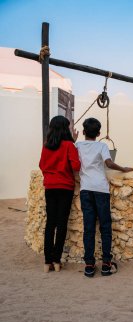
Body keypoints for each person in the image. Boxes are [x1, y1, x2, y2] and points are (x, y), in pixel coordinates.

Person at [76, 117, 133, 278]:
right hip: (101, 189)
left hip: (86, 189)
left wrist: (72, 139)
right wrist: (123, 169)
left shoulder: (77, 145)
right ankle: (106, 264)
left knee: (89, 228)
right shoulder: (102, 145)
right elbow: (109, 163)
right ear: (99, 133)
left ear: (83, 132)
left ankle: (89, 265)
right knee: (105, 227)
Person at [39, 115, 81, 273]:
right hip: (65, 187)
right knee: (62, 224)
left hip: (50, 187)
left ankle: (46, 262)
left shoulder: (46, 145)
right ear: (65, 128)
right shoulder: (69, 145)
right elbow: (76, 166)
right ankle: (57, 261)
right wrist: (74, 145)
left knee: (50, 223)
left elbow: (42, 165)